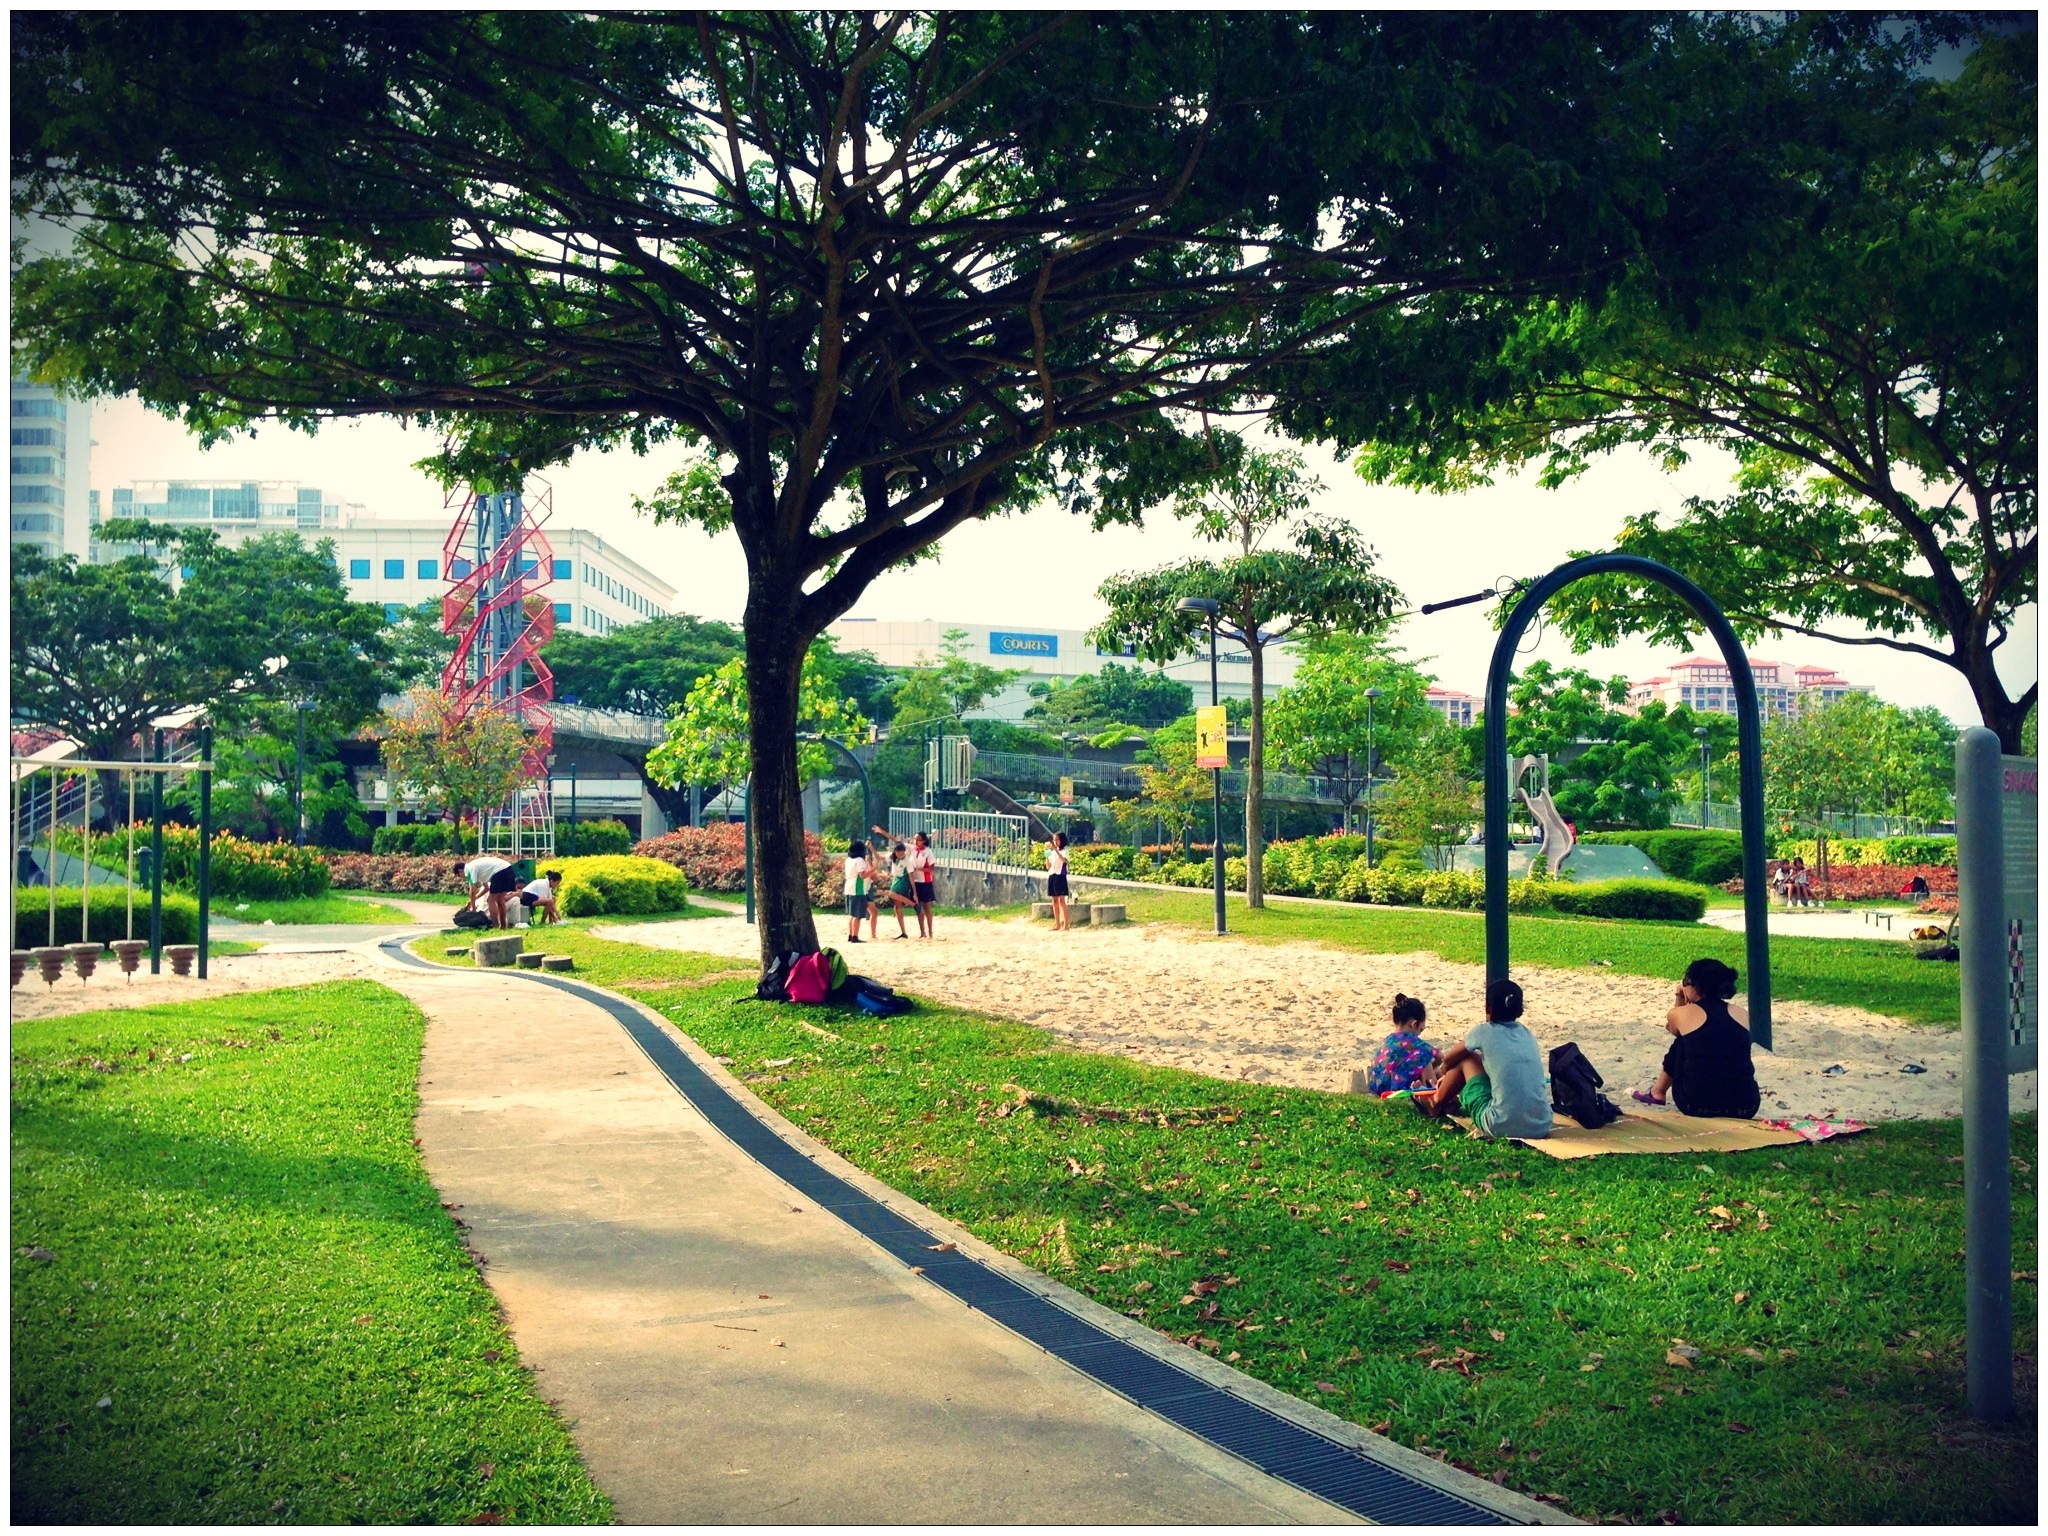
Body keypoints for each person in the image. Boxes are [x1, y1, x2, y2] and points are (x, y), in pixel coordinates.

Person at [1416, 977, 1552, 1140]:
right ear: (1519, 1010)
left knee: (1468, 1058)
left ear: (1488, 1008)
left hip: (1499, 1124)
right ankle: (1449, 1099)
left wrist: (1443, 1077)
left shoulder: (1483, 1031)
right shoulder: (1527, 1034)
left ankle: (1436, 1102)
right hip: (1541, 1125)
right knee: (1487, 1061)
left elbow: (1449, 1060)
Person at [1633, 958, 1761, 1118]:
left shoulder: (1680, 1013)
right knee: (1708, 1040)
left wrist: (1679, 998)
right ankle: (1657, 1091)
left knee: (1682, 1042)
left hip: (1696, 1104)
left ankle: (1658, 1091)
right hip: (1746, 1106)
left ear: (1695, 986)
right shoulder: (1741, 1013)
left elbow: (1674, 1030)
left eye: (1686, 981)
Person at [1366, 994, 1439, 1095]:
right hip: (1398, 1092)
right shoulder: (1412, 1041)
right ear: (1414, 1024)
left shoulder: (1388, 1040)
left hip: (1378, 1089)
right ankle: (1433, 1094)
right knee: (1424, 1056)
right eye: (1421, 1029)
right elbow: (1440, 1057)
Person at [457, 853, 520, 928]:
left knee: (490, 900)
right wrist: (472, 900)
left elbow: (472, 891)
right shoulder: (480, 870)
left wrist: (473, 910)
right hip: (509, 869)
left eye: (459, 875)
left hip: (499, 872)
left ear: (460, 871)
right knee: (500, 900)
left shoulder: (469, 869)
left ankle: (495, 925)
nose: (462, 878)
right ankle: (503, 926)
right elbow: (486, 888)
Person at [908, 831, 938, 939]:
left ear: (924, 840)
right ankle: (922, 932)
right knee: (918, 908)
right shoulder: (912, 849)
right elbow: (897, 841)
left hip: (925, 882)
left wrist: (920, 869)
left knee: (927, 908)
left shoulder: (927, 852)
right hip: (915, 882)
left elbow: (932, 868)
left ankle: (930, 932)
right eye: (915, 839)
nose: (916, 841)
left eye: (919, 839)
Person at [843, 839, 870, 944]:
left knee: (852, 914)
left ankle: (851, 934)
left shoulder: (848, 860)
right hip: (857, 889)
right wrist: (873, 870)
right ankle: (855, 936)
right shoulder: (859, 860)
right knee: (857, 915)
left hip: (848, 887)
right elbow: (862, 876)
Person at [1045, 831, 1072, 930]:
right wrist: (1047, 854)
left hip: (1060, 875)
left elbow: (1064, 860)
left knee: (1062, 901)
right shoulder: (1051, 852)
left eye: (1057, 840)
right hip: (1052, 875)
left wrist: (1055, 850)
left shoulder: (1065, 850)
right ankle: (1057, 924)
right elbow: (1048, 866)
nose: (1055, 842)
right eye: (1054, 840)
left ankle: (1066, 925)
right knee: (1054, 901)